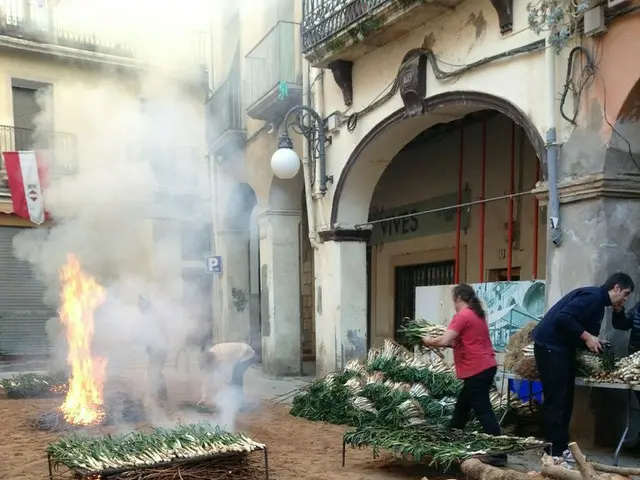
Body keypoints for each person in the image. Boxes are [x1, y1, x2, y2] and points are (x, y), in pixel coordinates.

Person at [531, 272, 634, 464]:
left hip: (562, 350)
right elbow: (564, 317)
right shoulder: (592, 297)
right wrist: (587, 337)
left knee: (566, 400)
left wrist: (596, 339)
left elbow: (619, 325)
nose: (627, 298)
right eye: (626, 293)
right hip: (551, 348)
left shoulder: (600, 303)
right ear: (617, 288)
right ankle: (553, 453)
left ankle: (559, 448)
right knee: (557, 401)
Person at [422, 283, 505, 466]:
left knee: (483, 410)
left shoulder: (463, 315)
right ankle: (451, 437)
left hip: (477, 368)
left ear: (458, 298)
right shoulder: (476, 314)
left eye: (453, 299)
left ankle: (500, 453)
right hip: (484, 366)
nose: (453, 303)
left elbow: (445, 340)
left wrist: (427, 340)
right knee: (462, 406)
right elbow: (463, 342)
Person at [198, 342, 256, 407]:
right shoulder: (209, 355)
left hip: (246, 354)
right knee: (226, 379)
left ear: (212, 362)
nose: (209, 370)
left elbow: (226, 378)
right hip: (235, 354)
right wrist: (204, 398)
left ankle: (239, 403)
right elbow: (207, 378)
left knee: (236, 376)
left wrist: (218, 399)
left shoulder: (224, 358)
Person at [138, 295, 169, 404]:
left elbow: (152, 335)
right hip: (159, 349)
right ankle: (160, 396)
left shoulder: (151, 316)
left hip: (159, 350)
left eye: (140, 305)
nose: (139, 308)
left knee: (154, 373)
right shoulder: (151, 315)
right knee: (155, 372)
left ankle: (159, 397)